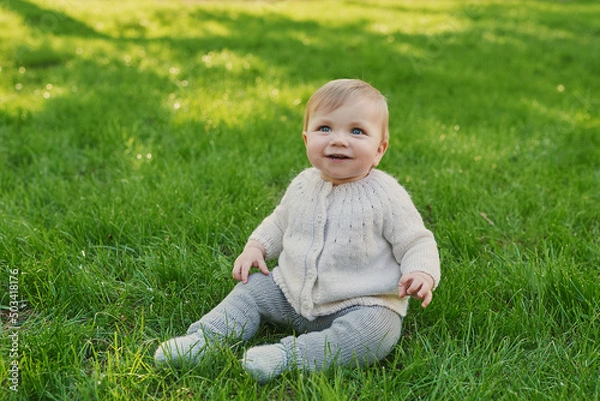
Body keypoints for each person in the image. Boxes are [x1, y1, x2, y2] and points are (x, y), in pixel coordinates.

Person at [154, 78, 441, 383]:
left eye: (356, 131)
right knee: (249, 292)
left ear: (379, 149)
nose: (339, 140)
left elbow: (416, 241)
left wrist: (422, 273)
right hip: (289, 290)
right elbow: (280, 221)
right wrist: (256, 247)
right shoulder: (304, 183)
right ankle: (205, 339)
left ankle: (288, 357)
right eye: (325, 128)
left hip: (360, 302)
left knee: (376, 332)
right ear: (307, 140)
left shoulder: (385, 195)